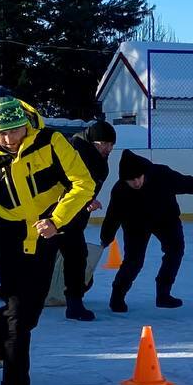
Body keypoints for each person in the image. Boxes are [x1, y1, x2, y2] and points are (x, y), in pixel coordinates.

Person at [0, 87, 94, 385]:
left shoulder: (52, 141)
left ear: (25, 124)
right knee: (19, 317)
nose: (10, 139)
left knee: (31, 312)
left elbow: (83, 183)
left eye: (15, 131)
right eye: (1, 134)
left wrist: (57, 220)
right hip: (6, 235)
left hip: (46, 231)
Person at [100, 149, 193, 311]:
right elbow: (112, 216)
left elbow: (187, 182)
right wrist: (106, 236)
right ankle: (117, 296)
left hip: (166, 218)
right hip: (135, 223)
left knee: (175, 250)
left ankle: (163, 294)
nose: (136, 182)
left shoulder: (161, 175)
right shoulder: (120, 190)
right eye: (131, 180)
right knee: (134, 260)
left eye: (138, 177)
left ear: (144, 172)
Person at [58, 120, 116, 322]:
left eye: (111, 145)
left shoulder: (100, 162)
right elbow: (63, 181)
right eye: (104, 143)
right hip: (54, 216)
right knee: (42, 259)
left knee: (77, 256)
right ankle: (16, 294)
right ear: (92, 141)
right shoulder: (73, 150)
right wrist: (85, 201)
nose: (108, 148)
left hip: (75, 218)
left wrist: (86, 204)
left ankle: (74, 302)